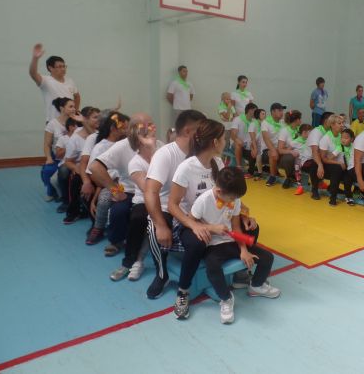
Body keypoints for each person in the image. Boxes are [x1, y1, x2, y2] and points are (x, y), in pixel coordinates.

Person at [167, 119, 259, 319]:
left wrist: (242, 214)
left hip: (218, 219)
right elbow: (172, 205)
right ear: (215, 142)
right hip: (190, 220)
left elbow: (228, 194)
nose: (226, 142)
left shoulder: (218, 163)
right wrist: (194, 225)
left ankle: (240, 273)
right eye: (224, 138)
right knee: (198, 242)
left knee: (252, 228)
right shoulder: (186, 168)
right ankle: (183, 291)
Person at [192, 167, 279, 324]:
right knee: (212, 266)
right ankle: (226, 298)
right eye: (232, 198)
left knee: (267, 257)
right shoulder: (203, 201)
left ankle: (256, 286)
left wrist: (243, 250)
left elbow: (236, 226)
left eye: (236, 198)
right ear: (219, 191)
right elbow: (191, 223)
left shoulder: (234, 199)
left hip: (232, 241)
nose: (234, 201)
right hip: (213, 245)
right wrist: (211, 228)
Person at [144, 110, 206, 300]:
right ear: (188, 131)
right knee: (153, 227)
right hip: (168, 207)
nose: (204, 134)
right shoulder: (165, 154)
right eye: (201, 130)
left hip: (195, 206)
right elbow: (151, 192)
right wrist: (161, 226)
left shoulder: (201, 153)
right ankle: (162, 274)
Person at [109, 115, 161, 281]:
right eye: (147, 133)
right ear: (139, 140)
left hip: (165, 198)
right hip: (145, 199)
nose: (152, 130)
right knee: (138, 218)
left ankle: (139, 260)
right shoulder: (135, 162)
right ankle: (129, 262)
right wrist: (152, 150)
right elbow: (149, 190)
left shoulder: (161, 149)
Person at [85, 112, 131, 248]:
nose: (127, 130)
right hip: (110, 184)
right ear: (113, 128)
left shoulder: (127, 143)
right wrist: (109, 183)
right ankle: (98, 228)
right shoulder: (101, 146)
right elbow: (93, 172)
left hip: (126, 182)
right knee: (105, 199)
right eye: (125, 127)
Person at [62, 106, 100, 224]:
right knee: (75, 180)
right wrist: (76, 168)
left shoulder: (100, 133)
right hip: (82, 168)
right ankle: (73, 212)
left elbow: (96, 138)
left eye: (99, 117)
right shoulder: (75, 138)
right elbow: (68, 161)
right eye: (95, 117)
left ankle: (94, 212)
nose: (99, 120)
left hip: (98, 168)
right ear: (86, 119)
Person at [41, 97, 80, 201]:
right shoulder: (52, 124)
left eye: (74, 107)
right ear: (62, 108)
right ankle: (51, 192)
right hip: (58, 156)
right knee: (48, 170)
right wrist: (49, 158)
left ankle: (65, 194)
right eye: (70, 107)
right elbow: (47, 144)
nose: (74, 109)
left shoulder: (78, 121)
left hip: (75, 156)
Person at [29, 43, 80, 122]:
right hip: (53, 121)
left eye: (64, 66)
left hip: (69, 122)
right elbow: (33, 73)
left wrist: (75, 112)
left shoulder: (70, 81)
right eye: (59, 67)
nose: (63, 69)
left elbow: (77, 96)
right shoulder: (45, 81)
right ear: (50, 68)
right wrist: (35, 58)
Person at [319, 115, 354, 206]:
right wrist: (338, 163)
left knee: (350, 173)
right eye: (339, 123)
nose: (342, 125)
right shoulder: (326, 139)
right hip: (328, 165)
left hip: (343, 165)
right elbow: (324, 159)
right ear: (332, 125)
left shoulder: (342, 135)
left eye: (342, 123)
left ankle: (352, 195)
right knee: (337, 168)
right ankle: (333, 197)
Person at [305, 111, 333, 200]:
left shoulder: (330, 132)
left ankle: (333, 187)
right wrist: (320, 165)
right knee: (315, 164)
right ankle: (315, 189)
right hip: (309, 159)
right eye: (332, 119)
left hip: (323, 157)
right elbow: (315, 152)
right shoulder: (316, 132)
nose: (334, 121)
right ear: (326, 121)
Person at [230, 102, 258, 178]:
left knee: (256, 147)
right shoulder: (238, 119)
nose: (257, 113)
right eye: (255, 111)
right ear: (250, 110)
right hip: (237, 145)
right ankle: (239, 167)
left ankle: (253, 170)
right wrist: (237, 140)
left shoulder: (255, 121)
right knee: (238, 144)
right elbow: (233, 135)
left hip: (249, 145)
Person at [261, 103, 286, 187]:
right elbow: (265, 138)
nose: (282, 112)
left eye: (282, 110)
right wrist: (273, 150)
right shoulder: (265, 122)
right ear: (273, 112)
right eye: (279, 110)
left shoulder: (283, 122)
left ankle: (292, 176)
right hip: (267, 149)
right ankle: (272, 176)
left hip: (280, 147)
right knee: (273, 154)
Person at [277, 110, 302, 189]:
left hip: (302, 151)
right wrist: (291, 151)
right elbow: (280, 150)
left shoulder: (301, 129)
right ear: (297, 120)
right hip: (291, 153)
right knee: (288, 159)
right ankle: (290, 177)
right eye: (300, 119)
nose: (301, 120)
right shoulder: (284, 131)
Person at [290, 124, 313, 195]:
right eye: (309, 132)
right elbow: (289, 149)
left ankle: (318, 183)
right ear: (303, 132)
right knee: (298, 166)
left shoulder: (311, 141)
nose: (310, 134)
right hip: (299, 159)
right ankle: (300, 186)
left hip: (308, 158)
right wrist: (292, 152)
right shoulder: (295, 142)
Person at [248, 108, 266, 180]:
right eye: (263, 114)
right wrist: (254, 149)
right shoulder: (253, 124)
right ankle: (257, 172)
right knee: (257, 154)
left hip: (261, 145)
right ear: (258, 115)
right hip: (253, 145)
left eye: (265, 114)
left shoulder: (265, 124)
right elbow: (252, 139)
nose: (265, 115)